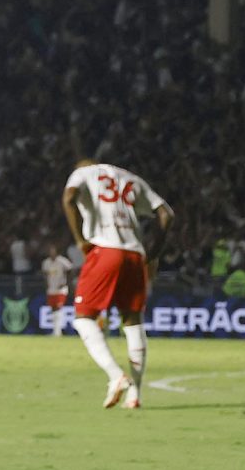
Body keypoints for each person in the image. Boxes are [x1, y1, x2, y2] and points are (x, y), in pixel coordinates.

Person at [61, 157, 172, 409]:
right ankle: (136, 394)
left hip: (105, 250)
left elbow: (68, 198)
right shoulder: (131, 178)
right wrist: (153, 254)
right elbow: (167, 215)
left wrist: (80, 240)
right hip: (135, 254)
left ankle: (116, 375)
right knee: (133, 322)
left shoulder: (84, 173)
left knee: (83, 318)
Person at [41, 246, 75, 335]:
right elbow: (44, 274)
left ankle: (58, 331)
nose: (52, 253)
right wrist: (46, 283)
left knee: (58, 307)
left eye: (53, 251)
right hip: (51, 289)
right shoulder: (46, 262)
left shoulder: (62, 261)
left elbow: (70, 270)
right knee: (53, 309)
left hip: (60, 289)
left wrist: (66, 282)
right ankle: (55, 330)